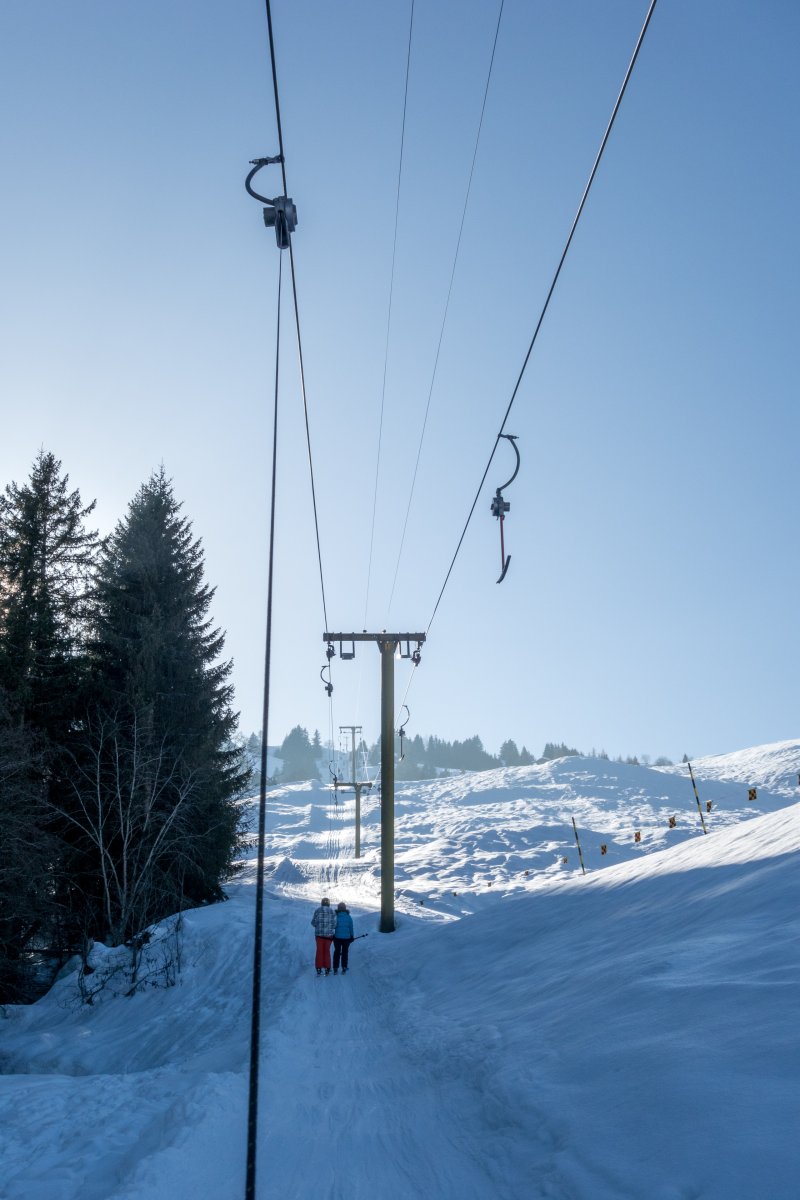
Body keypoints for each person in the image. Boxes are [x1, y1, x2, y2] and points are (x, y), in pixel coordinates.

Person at [310, 897, 336, 975]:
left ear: (321, 903)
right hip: (329, 936)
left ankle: (319, 968)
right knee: (327, 951)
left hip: (319, 936)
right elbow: (335, 925)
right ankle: (327, 968)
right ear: (329, 903)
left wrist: (318, 926)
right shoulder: (332, 912)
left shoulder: (317, 910)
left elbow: (313, 923)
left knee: (319, 951)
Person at [332, 901, 354, 975]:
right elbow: (351, 927)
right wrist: (352, 936)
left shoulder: (336, 916)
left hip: (337, 937)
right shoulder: (348, 917)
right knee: (345, 952)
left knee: (337, 952)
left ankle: (335, 967)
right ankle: (344, 966)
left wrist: (332, 935)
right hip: (346, 938)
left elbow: (333, 926)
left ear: (338, 908)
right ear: (345, 908)